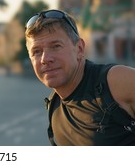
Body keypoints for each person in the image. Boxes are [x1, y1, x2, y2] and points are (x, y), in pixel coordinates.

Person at [24, 9, 135, 145]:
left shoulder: (115, 82)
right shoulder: (54, 107)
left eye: (56, 46)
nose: (45, 59)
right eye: (36, 51)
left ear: (79, 49)